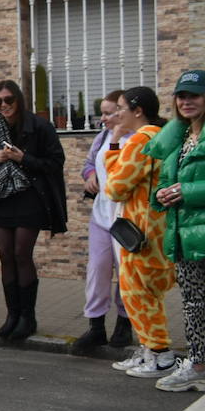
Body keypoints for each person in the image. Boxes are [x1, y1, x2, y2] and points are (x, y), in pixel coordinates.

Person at [145, 70, 205, 401]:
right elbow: (165, 182)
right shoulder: (178, 138)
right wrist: (161, 195)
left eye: (194, 95)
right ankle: (196, 367)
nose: (186, 101)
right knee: (192, 303)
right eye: (181, 95)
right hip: (183, 235)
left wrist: (188, 191)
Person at [0, 79, 68, 341]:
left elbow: (56, 162)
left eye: (8, 100)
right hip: (2, 196)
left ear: (19, 99)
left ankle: (28, 318)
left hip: (31, 195)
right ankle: (12, 315)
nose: (4, 105)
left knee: (21, 253)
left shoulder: (39, 126)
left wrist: (22, 158)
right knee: (5, 254)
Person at [103, 87, 175, 378]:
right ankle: (150, 351)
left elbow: (115, 187)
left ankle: (160, 355)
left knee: (138, 294)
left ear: (138, 111)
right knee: (148, 294)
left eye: (121, 108)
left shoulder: (142, 140)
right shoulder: (162, 136)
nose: (117, 113)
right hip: (157, 227)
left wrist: (115, 143)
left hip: (140, 231)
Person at [75, 91, 132, 350]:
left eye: (109, 113)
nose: (104, 118)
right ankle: (95, 326)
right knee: (97, 269)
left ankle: (124, 322)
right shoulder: (102, 137)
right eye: (102, 113)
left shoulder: (137, 138)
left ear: (124, 111)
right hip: (101, 215)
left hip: (126, 218)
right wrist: (89, 176)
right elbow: (89, 163)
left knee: (126, 272)